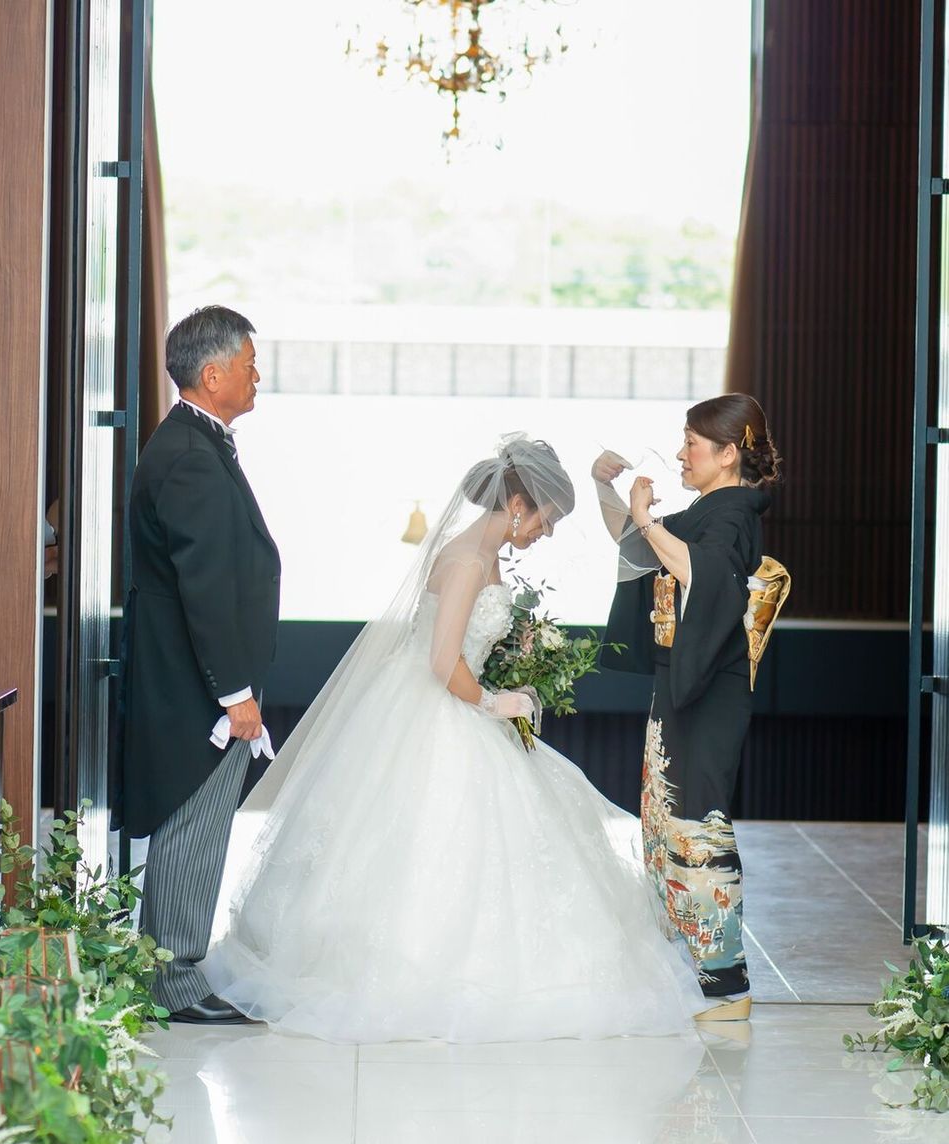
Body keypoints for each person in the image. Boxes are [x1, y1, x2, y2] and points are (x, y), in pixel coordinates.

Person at [202, 435, 706, 1043]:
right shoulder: (468, 561)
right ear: (518, 504)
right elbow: (443, 662)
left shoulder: (483, 554)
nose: (546, 532)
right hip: (436, 708)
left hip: (438, 700)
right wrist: (498, 701)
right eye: (547, 519)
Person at [593, 394, 783, 1021]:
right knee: (667, 820)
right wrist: (607, 490)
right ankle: (697, 973)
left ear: (728, 454)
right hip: (683, 684)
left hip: (709, 689)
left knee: (698, 823)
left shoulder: (733, 513)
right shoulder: (711, 510)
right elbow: (638, 545)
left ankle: (726, 986)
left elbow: (703, 573)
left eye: (692, 444)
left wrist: (648, 521)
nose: (680, 454)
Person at [118, 305, 281, 1025]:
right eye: (249, 364)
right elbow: (205, 583)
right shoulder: (188, 453)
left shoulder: (194, 441)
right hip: (196, 684)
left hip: (196, 677)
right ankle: (173, 981)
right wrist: (235, 692)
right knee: (192, 822)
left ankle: (173, 970)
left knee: (199, 823)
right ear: (212, 375)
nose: (257, 376)